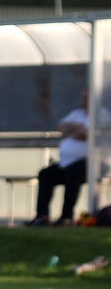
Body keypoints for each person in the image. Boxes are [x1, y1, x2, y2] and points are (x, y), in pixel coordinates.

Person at [27, 89, 94, 226]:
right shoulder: (77, 114)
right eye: (83, 97)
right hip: (67, 163)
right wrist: (77, 129)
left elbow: (86, 135)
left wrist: (72, 130)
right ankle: (42, 217)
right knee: (46, 174)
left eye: (87, 98)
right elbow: (61, 126)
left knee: (73, 173)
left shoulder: (101, 115)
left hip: (92, 164)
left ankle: (66, 217)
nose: (84, 101)